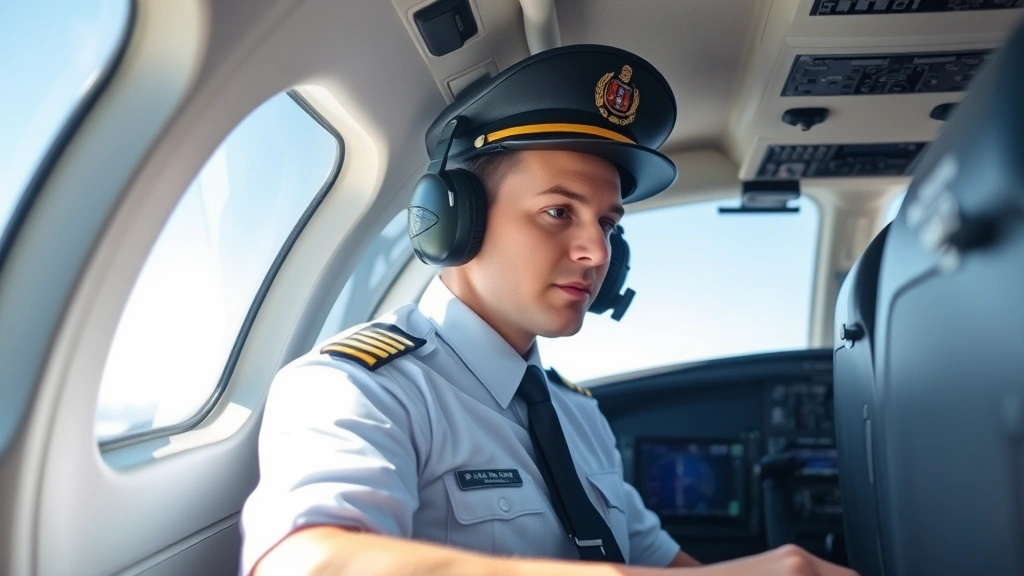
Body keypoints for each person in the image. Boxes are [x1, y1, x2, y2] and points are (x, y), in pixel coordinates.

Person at [240, 44, 856, 576]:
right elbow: (309, 560)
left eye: (609, 224)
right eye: (559, 212)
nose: (596, 252)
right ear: (456, 221)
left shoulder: (578, 416)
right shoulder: (359, 388)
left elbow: (660, 560)